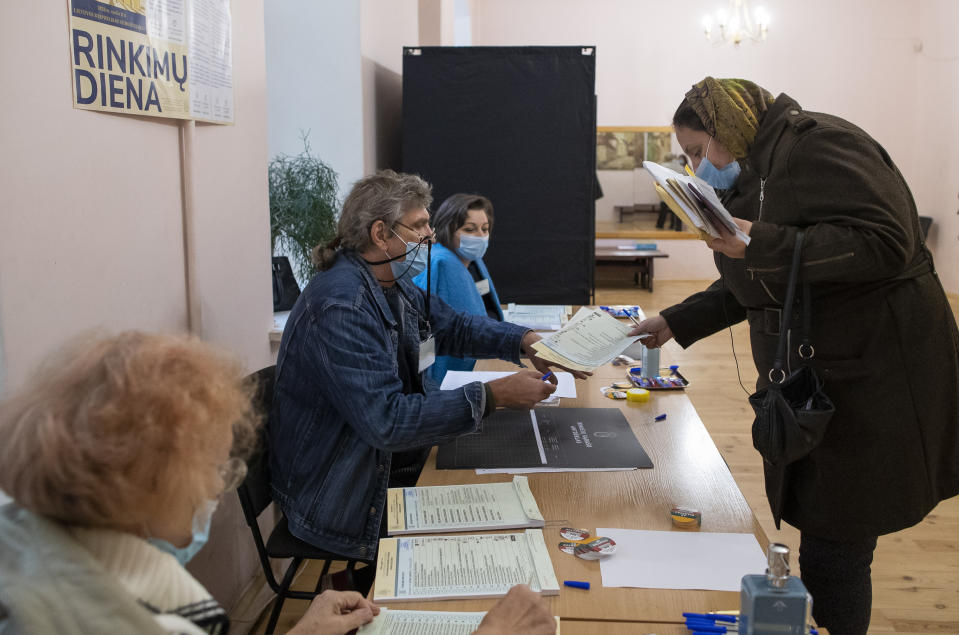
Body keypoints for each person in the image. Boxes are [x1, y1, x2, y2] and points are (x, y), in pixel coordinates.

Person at [631, 77, 959, 635]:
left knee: (836, 544)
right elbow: (757, 280)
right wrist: (675, 320)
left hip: (874, 375)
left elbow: (888, 240)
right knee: (829, 534)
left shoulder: (819, 145)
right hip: (825, 372)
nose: (696, 167)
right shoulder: (758, 172)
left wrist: (760, 239)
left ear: (728, 129)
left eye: (696, 151)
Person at [0, 332, 557, 635]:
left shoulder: (27, 537)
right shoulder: (113, 615)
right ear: (147, 481)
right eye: (215, 468)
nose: (217, 491)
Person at [270, 170, 586, 579]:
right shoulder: (342, 307)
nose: (430, 237)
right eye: (419, 226)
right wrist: (493, 396)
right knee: (501, 536)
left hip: (376, 467)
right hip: (341, 497)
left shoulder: (388, 282)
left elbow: (454, 326)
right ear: (381, 233)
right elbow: (388, 421)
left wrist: (526, 342)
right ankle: (366, 586)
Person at [413, 193, 503, 385]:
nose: (480, 236)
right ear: (448, 229)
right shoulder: (442, 262)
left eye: (485, 229)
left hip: (479, 358)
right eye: (470, 229)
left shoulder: (472, 261)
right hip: (451, 376)